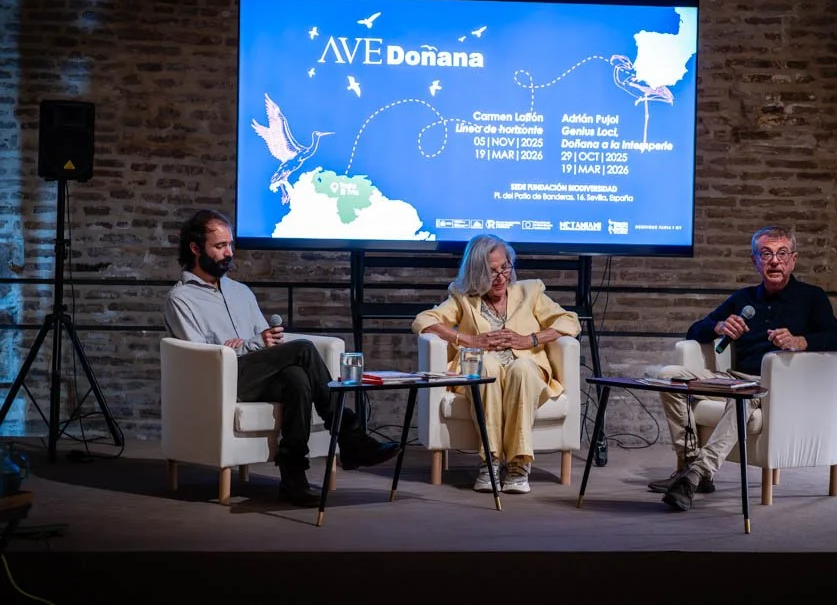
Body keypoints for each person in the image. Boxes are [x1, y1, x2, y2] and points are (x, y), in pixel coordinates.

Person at [163, 209, 399, 507]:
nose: (229, 253)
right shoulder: (180, 299)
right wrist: (246, 345)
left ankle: (293, 478)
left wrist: (259, 342)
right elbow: (198, 356)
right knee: (301, 349)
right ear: (196, 249)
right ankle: (350, 436)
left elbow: (266, 341)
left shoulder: (241, 292)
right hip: (219, 383)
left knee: (297, 378)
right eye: (219, 246)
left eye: (230, 245)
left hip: (256, 376)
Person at [651, 225, 837, 512]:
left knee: (741, 402)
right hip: (734, 380)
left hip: (775, 387)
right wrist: (719, 325)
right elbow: (694, 330)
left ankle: (695, 475)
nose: (774, 261)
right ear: (755, 261)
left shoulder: (811, 297)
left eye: (781, 254)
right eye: (766, 254)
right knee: (668, 377)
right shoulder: (743, 299)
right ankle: (691, 463)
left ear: (794, 259)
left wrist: (798, 341)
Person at [412, 234, 581, 494]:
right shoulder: (462, 296)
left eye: (505, 267)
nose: (501, 276)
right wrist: (468, 339)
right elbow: (423, 320)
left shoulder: (530, 291)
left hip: (526, 368)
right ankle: (489, 462)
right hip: (483, 367)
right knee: (487, 366)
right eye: (491, 272)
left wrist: (530, 339)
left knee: (521, 369)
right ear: (477, 272)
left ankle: (518, 464)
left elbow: (570, 321)